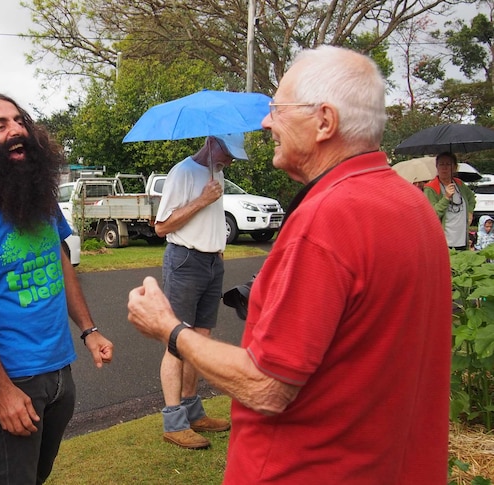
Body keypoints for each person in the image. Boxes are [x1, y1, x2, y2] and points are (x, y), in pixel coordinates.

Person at [127, 45, 452, 484]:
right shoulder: (411, 203)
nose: (265, 122)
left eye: (277, 109)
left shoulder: (329, 219)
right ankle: (178, 418)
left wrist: (167, 327)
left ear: (324, 121)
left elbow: (267, 387)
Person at [0, 94, 114, 484]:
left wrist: (89, 329)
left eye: (20, 121)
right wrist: (0, 390)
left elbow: (62, 265)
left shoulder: (42, 200)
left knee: (37, 475)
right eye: (0, 125)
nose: (16, 130)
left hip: (60, 372)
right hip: (11, 378)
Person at [152, 135, 241, 449]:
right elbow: (161, 226)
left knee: (199, 341)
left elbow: (210, 220)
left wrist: (218, 250)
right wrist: (202, 200)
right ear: (212, 143)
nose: (231, 161)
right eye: (229, 154)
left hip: (211, 261)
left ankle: (192, 411)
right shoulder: (183, 172)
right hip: (185, 261)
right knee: (177, 341)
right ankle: (174, 422)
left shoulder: (218, 172)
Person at [424, 152, 476, 250]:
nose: (444, 168)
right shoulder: (431, 188)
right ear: (437, 167)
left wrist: (470, 211)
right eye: (441, 164)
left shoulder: (459, 184)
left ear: (455, 167)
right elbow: (431, 214)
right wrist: (446, 198)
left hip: (462, 240)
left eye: (448, 164)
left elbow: (471, 198)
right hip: (444, 242)